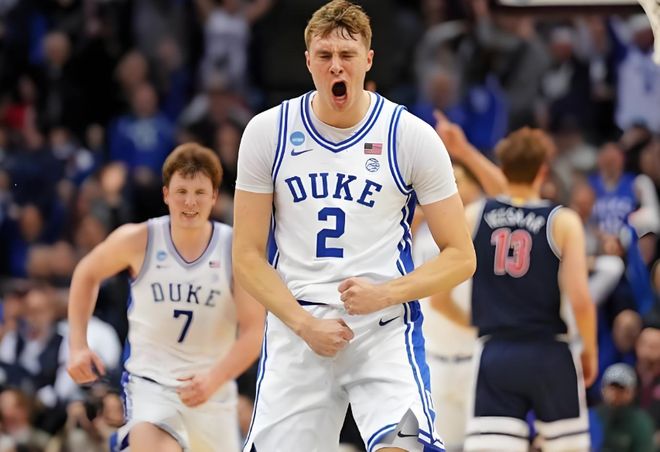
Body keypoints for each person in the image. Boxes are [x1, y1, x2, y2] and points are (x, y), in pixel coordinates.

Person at [233, 1, 476, 451]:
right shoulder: (268, 132)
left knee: (406, 446)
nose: (336, 66)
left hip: (382, 329)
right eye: (325, 56)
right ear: (308, 61)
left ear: (368, 60)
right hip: (299, 327)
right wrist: (304, 324)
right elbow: (246, 256)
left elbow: (462, 256)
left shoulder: (410, 135)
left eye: (347, 55)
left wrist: (385, 293)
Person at [66, 143, 265, 452]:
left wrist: (215, 378)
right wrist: (78, 346)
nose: (190, 202)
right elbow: (86, 273)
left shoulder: (233, 249)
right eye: (181, 191)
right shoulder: (139, 239)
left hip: (213, 394)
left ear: (214, 196)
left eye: (200, 192)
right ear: (166, 194)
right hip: (151, 388)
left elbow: (254, 331)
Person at [433, 126, 598, 451]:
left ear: (504, 167)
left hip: (496, 353)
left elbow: (438, 299)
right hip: (551, 352)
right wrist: (589, 350)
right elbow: (580, 299)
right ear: (544, 171)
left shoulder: (475, 215)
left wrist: (476, 324)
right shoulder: (563, 221)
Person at [594, 363, 655, 452]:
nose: (615, 394)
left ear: (633, 392)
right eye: (612, 388)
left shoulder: (640, 422)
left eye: (622, 389)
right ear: (603, 390)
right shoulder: (593, 417)